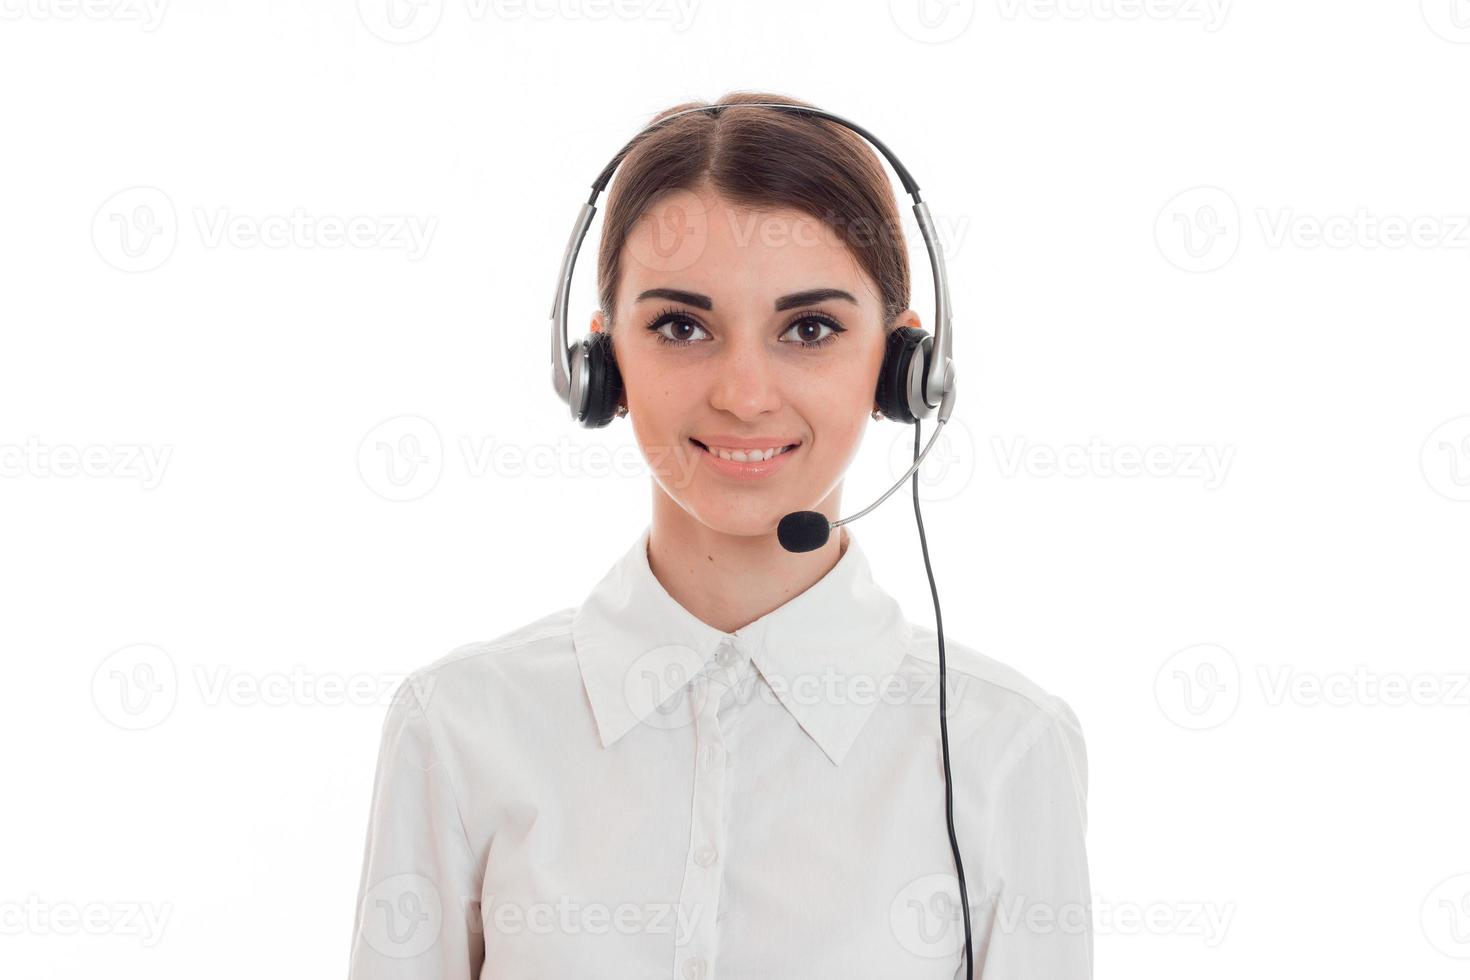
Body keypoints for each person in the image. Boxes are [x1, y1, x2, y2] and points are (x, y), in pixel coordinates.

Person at [347, 91, 1092, 979]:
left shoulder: (1004, 752)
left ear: (903, 369)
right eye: (681, 326)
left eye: (809, 329)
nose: (744, 393)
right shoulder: (460, 728)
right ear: (597, 364)